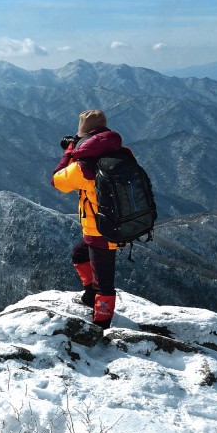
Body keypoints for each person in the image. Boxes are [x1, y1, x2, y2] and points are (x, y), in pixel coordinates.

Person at [51, 109, 131, 328]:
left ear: (84, 137)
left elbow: (57, 180)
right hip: (122, 222)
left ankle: (102, 327)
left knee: (104, 282)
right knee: (79, 253)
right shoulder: (124, 153)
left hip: (101, 230)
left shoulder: (83, 167)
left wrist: (70, 151)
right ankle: (90, 296)